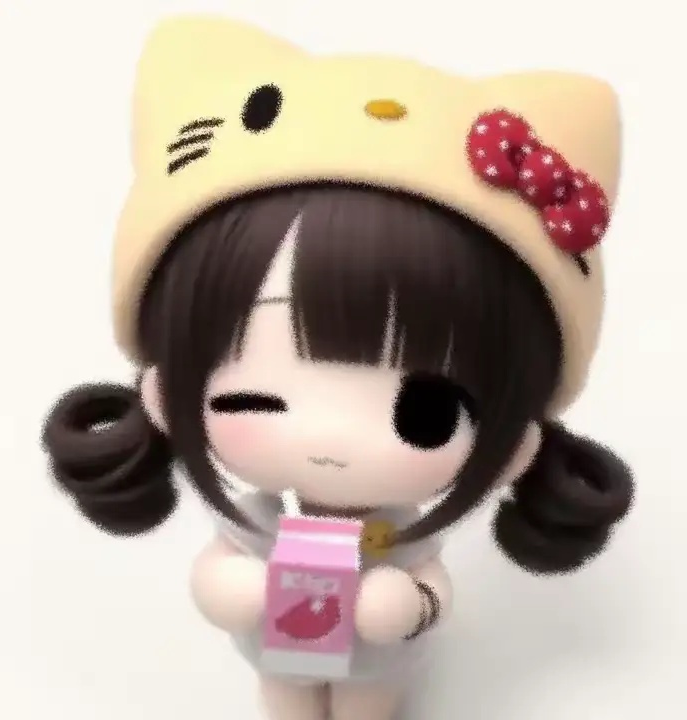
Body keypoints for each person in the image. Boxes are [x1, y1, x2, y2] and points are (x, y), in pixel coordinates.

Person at [42, 16, 634, 720]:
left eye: (423, 416)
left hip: (378, 666)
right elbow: (218, 576)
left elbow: (429, 589)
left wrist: (408, 605)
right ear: (166, 395)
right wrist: (238, 591)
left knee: (369, 705)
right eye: (255, 399)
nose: (333, 437)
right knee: (285, 702)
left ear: (516, 448)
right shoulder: (260, 522)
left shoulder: (404, 534)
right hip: (278, 657)